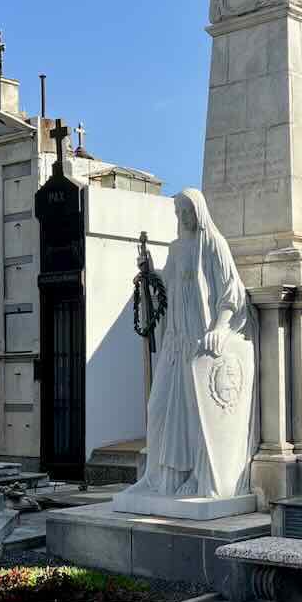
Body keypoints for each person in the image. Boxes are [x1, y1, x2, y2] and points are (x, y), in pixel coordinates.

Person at [123, 189, 258, 500]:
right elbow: (166, 287)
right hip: (175, 340)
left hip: (200, 339)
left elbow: (231, 293)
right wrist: (149, 271)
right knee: (159, 408)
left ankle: (197, 476)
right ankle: (159, 477)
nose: (183, 217)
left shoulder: (213, 245)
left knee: (196, 411)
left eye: (187, 211)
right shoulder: (176, 248)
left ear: (199, 212)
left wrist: (221, 328)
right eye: (179, 211)